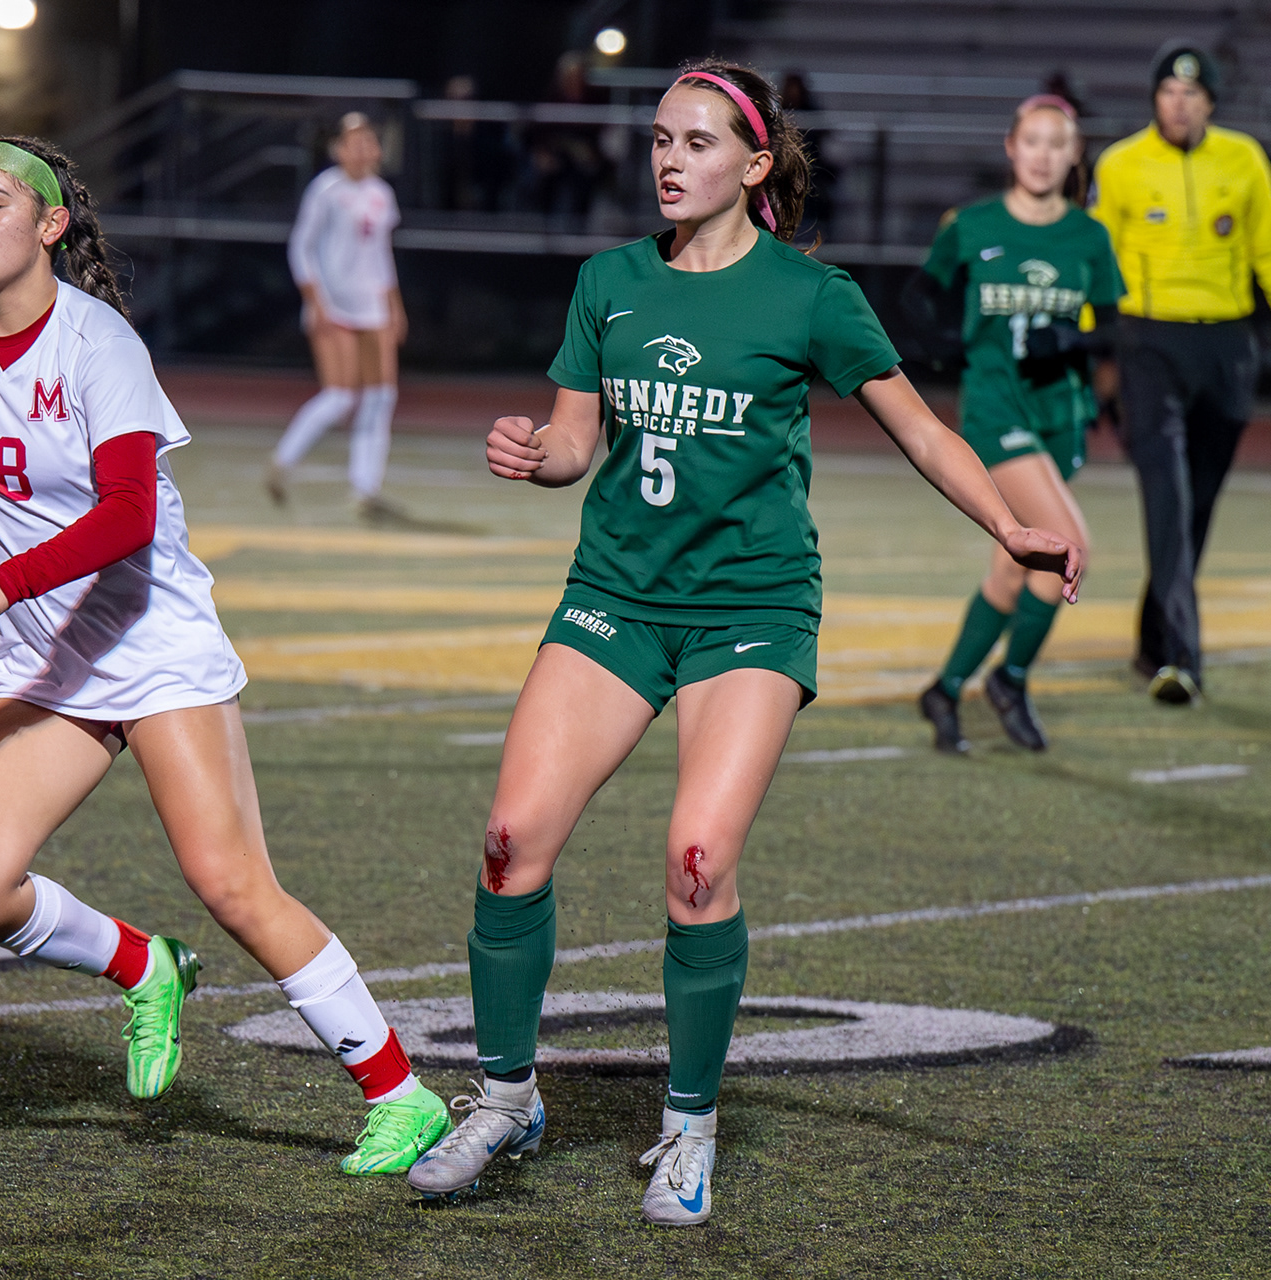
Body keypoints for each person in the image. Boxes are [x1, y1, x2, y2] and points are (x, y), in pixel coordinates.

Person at [402, 63, 1080, 1223]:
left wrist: (1010, 524)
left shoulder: (810, 296)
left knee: (698, 860)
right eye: (660, 139)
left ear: (755, 163)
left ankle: (688, 1125)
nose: (670, 160)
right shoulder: (609, 281)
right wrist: (534, 451)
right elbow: (575, 443)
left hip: (753, 609)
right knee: (511, 843)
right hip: (616, 597)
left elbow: (921, 431)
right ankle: (507, 1099)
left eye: (699, 142)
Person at [0, 136, 449, 1174]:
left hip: (151, 645)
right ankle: (147, 967)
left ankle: (403, 1096)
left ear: (50, 225)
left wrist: (1, 583)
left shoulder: (98, 343)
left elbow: (130, 511)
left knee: (232, 883)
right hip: (45, 662)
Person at [917, 95, 1124, 753]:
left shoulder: (1089, 237)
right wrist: (947, 345)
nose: (1042, 155)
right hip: (995, 410)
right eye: (1031, 141)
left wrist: (1073, 345)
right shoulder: (971, 225)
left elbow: (1112, 330)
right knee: (1070, 545)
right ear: (1011, 147)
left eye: (1056, 143)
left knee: (1018, 569)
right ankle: (1009, 679)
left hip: (1058, 414)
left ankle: (946, 689)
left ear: (1074, 155)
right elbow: (921, 298)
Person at [1091, 43, 1271, 704]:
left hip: (1227, 348)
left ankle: (1151, 639)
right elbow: (1098, 262)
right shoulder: (1120, 164)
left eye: (1191, 93)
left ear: (1211, 102)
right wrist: (1094, 355)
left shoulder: (1245, 159)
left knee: (1196, 508)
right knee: (1167, 498)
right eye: (1168, 91)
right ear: (1154, 98)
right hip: (1149, 345)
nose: (1179, 103)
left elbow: (1267, 252)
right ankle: (1181, 658)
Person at [267, 113, 406, 519]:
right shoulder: (326, 190)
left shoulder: (382, 194)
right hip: (335, 305)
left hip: (372, 306)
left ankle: (365, 489)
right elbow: (301, 246)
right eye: (354, 142)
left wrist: (395, 306)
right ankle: (282, 462)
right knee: (341, 396)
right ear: (339, 150)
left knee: (381, 396)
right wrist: (315, 301)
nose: (363, 150)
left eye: (368, 141)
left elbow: (381, 255)